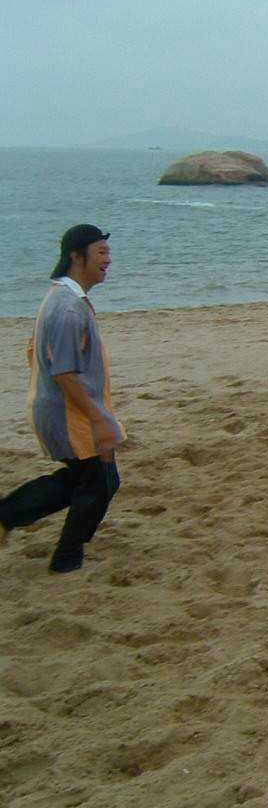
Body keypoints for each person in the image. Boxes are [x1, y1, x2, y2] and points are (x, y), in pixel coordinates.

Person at [1, 225, 124, 574]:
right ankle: (64, 557)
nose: (108, 260)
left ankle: (16, 522)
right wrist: (98, 418)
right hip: (69, 414)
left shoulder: (63, 299)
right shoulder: (68, 307)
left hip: (65, 408)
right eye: (101, 252)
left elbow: (38, 353)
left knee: (94, 480)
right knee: (98, 481)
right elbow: (64, 372)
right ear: (76, 256)